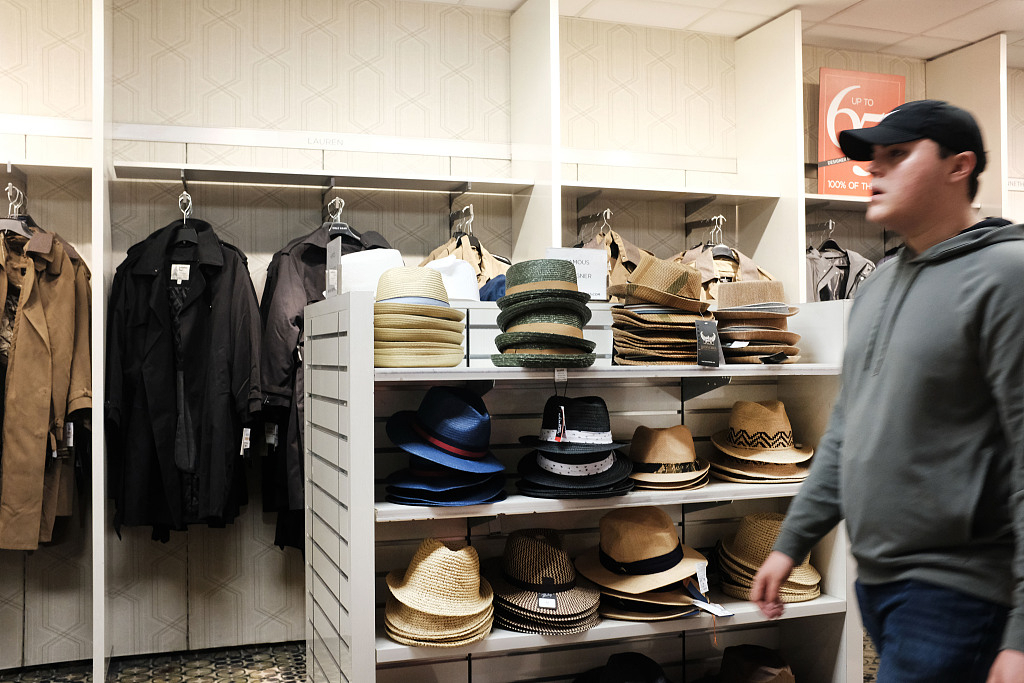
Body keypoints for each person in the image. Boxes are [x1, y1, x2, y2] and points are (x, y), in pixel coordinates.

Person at [750, 99, 1024, 682]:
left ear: (959, 166)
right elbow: (847, 431)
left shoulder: (1006, 276)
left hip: (959, 590)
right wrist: (791, 542)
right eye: (873, 156)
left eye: (898, 154)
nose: (874, 168)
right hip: (878, 583)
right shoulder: (877, 287)